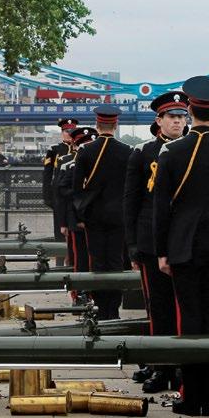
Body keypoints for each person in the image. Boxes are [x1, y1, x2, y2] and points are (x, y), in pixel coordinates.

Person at [153, 76, 209, 416]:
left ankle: (191, 398)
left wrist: (162, 251)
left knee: (189, 322)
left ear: (189, 110)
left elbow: (161, 209)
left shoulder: (172, 153)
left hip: (182, 248)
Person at [123, 91, 189, 393]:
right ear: (158, 120)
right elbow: (132, 201)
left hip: (185, 240)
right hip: (151, 241)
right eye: (171, 116)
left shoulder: (193, 149)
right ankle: (161, 366)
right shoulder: (143, 152)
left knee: (186, 306)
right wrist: (133, 245)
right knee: (158, 307)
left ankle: (183, 366)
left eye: (181, 116)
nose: (177, 121)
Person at [72, 105, 132, 320]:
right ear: (115, 125)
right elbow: (130, 188)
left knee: (96, 262)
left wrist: (81, 214)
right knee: (116, 261)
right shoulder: (127, 151)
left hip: (94, 215)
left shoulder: (86, 151)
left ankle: (99, 309)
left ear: (97, 125)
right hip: (119, 215)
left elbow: (77, 187)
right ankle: (113, 310)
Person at [56, 126, 98, 283]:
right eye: (82, 144)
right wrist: (63, 222)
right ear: (75, 146)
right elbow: (61, 195)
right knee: (79, 259)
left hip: (97, 219)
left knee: (97, 259)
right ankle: (79, 292)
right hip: (75, 219)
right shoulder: (69, 165)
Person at [43, 118, 78, 239]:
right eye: (66, 131)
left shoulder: (80, 149)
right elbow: (47, 174)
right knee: (60, 231)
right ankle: (60, 257)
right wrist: (47, 196)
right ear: (62, 132)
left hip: (74, 192)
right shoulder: (54, 149)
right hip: (58, 193)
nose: (69, 133)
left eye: (72, 130)